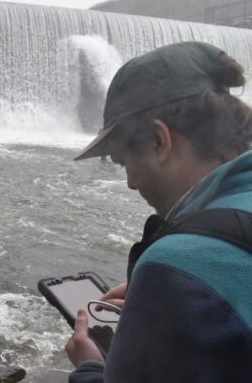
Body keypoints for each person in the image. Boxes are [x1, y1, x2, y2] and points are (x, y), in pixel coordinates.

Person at [66, 41, 252, 382]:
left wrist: (90, 368)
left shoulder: (177, 268)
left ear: (157, 140)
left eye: (124, 163)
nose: (131, 185)